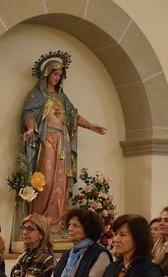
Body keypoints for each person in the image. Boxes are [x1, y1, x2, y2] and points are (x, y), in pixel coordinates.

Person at [21, 52, 107, 232]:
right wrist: (30, 128)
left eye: (60, 75)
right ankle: (40, 223)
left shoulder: (62, 97)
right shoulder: (36, 95)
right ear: (46, 73)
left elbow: (73, 116)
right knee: (46, 179)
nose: (57, 78)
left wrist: (91, 126)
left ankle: (58, 223)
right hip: (46, 142)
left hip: (63, 143)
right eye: (54, 74)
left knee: (61, 181)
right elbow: (29, 113)